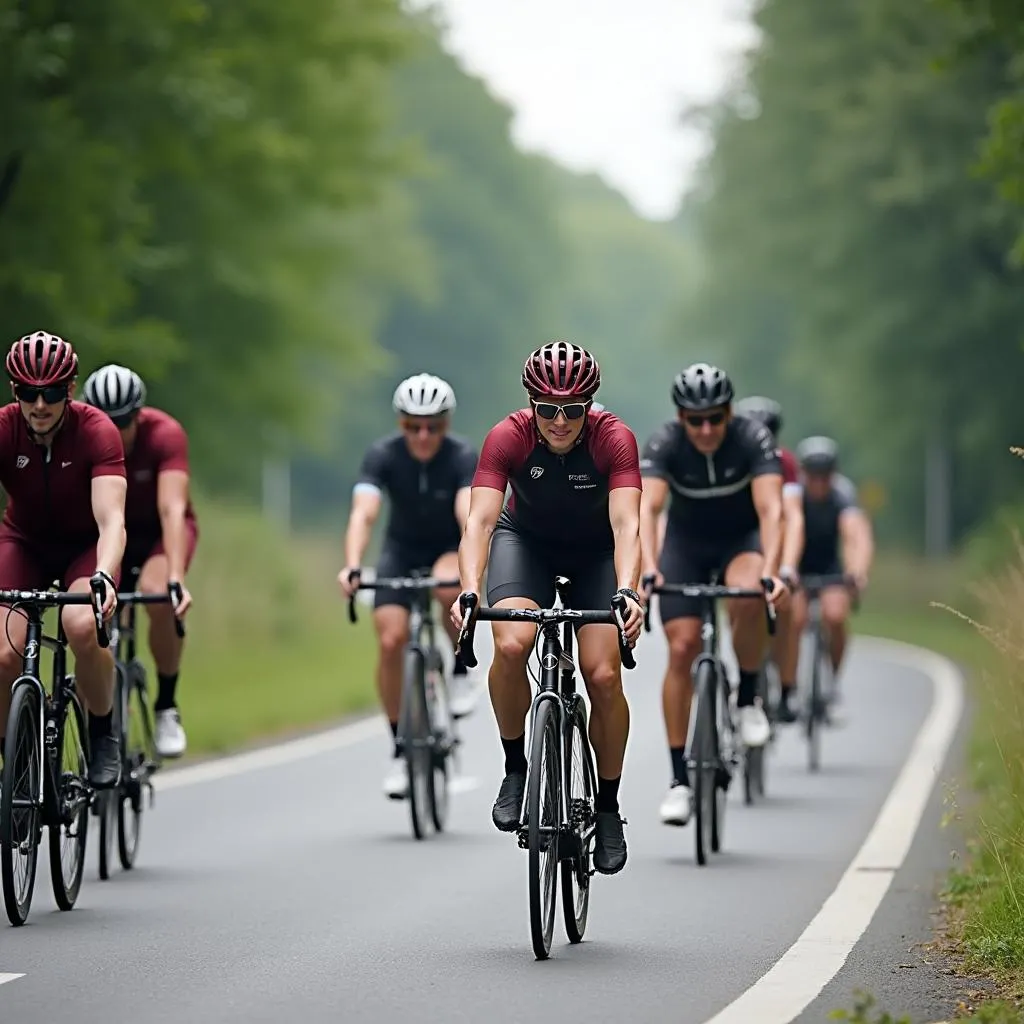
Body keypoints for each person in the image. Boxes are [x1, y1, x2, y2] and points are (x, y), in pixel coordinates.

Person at [450, 341, 643, 875]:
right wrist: (469, 589)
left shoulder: (615, 440)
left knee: (602, 675)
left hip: (596, 552)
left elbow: (627, 525)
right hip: (526, 544)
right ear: (531, 404)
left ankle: (606, 808)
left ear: (590, 407)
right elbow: (480, 523)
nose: (560, 421)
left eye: (573, 410)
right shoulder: (506, 438)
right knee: (512, 643)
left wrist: (628, 590)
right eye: (548, 409)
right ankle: (517, 768)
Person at [639, 363, 788, 828]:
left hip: (739, 542)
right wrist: (647, 568)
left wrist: (772, 571)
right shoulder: (665, 442)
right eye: (694, 419)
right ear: (680, 418)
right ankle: (680, 780)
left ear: (729, 413)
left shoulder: (751, 439)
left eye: (715, 418)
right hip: (684, 545)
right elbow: (647, 508)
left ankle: (746, 698)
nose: (705, 429)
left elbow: (771, 509)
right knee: (681, 648)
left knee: (747, 594)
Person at [339, 373, 481, 801]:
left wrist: (470, 564)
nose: (422, 436)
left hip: (444, 547)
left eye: (433, 426)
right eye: (412, 426)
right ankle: (401, 747)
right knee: (390, 640)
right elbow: (364, 513)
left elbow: (467, 514)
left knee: (445, 586)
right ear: (400, 424)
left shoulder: (462, 456)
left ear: (447, 424)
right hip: (399, 549)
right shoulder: (382, 454)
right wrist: (351, 565)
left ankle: (458, 670)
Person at [0, 332, 126, 787]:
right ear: (14, 392)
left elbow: (112, 520)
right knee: (1, 654)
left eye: (51, 392)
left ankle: (102, 729)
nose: (39, 404)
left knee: (80, 626)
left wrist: (104, 576)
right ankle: (15, 766)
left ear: (69, 391)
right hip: (23, 543)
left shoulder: (96, 430)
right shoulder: (3, 428)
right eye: (27, 392)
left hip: (82, 547)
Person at [82, 364, 195, 758]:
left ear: (139, 414)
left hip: (159, 535)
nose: (115, 430)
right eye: (106, 422)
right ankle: (102, 712)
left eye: (124, 421)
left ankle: (166, 705)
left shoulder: (164, 434)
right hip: (110, 535)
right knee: (97, 615)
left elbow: (172, 508)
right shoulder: (81, 436)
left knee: (156, 593)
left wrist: (176, 576)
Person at [733, 395, 805, 724]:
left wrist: (786, 568)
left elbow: (791, 516)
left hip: (771, 540)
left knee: (787, 608)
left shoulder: (783, 462)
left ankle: (787, 688)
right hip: (739, 544)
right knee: (738, 601)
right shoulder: (728, 456)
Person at [792, 436, 874, 703]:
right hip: (796, 565)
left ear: (833, 474)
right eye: (813, 475)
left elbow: (856, 535)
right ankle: (786, 682)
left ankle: (833, 679)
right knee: (794, 619)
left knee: (836, 616)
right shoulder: (795, 494)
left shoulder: (842, 494)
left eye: (824, 476)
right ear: (804, 474)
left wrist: (857, 571)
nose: (818, 483)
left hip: (830, 566)